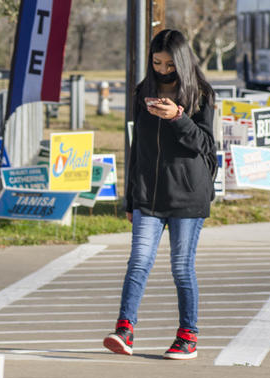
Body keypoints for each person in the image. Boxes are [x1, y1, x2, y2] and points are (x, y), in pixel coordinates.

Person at [104, 29, 217, 360]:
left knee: (182, 268)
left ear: (181, 61)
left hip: (187, 196)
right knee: (138, 261)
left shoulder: (202, 94)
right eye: (157, 62)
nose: (163, 69)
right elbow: (136, 147)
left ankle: (188, 336)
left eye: (170, 64)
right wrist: (130, 199)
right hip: (148, 198)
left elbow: (206, 146)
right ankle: (124, 330)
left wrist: (178, 118)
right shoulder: (143, 92)